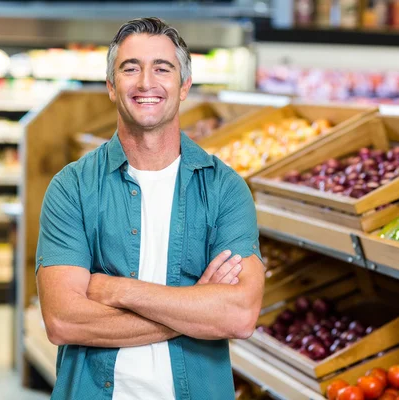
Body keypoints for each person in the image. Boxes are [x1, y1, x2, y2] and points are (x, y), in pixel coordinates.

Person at [35, 17, 264, 400]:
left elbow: (239, 316)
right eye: (130, 68)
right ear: (111, 86)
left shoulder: (225, 189)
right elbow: (62, 320)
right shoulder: (71, 187)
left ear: (184, 85)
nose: (145, 83)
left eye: (162, 68)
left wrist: (116, 289)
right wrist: (195, 309)